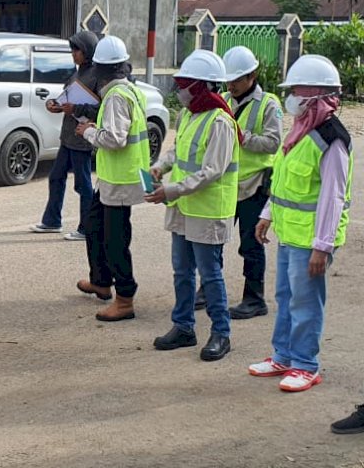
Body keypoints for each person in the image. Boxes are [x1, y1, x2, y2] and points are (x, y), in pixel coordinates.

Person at [249, 54, 353, 393]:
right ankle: (283, 356)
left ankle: (305, 364)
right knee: (286, 295)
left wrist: (322, 246)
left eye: (297, 92)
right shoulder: (300, 131)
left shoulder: (331, 138)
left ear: (315, 96)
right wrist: (267, 215)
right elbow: (283, 182)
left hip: (311, 238)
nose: (291, 98)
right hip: (290, 232)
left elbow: (332, 197)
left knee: (306, 302)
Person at [146, 50, 239, 362]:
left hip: (208, 210)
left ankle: (221, 334)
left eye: (184, 85)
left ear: (201, 87)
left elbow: (211, 171)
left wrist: (170, 189)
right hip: (184, 207)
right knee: (182, 271)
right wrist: (161, 166)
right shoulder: (188, 114)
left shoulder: (221, 122)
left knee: (210, 275)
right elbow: (177, 152)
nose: (179, 91)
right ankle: (184, 327)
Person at [203, 45, 281, 319]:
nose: (232, 85)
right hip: (227, 184)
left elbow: (273, 143)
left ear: (253, 75)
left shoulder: (268, 104)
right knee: (214, 239)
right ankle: (209, 288)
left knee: (251, 243)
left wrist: (244, 137)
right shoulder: (223, 97)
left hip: (254, 184)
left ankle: (254, 298)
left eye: (237, 80)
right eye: (229, 80)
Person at [74, 35, 149, 320]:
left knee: (115, 239)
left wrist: (89, 132)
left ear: (101, 70)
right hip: (116, 177)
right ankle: (101, 282)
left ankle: (125, 298)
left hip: (121, 179)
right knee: (94, 226)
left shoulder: (117, 96)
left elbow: (115, 139)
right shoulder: (129, 91)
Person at [30, 30, 100, 241]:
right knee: (56, 177)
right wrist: (56, 105)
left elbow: (100, 109)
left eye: (76, 50)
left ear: (87, 51)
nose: (73, 54)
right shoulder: (76, 74)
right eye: (72, 49)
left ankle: (87, 228)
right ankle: (52, 221)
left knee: (83, 184)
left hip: (82, 138)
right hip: (68, 137)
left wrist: (76, 109)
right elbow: (66, 99)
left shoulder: (97, 76)